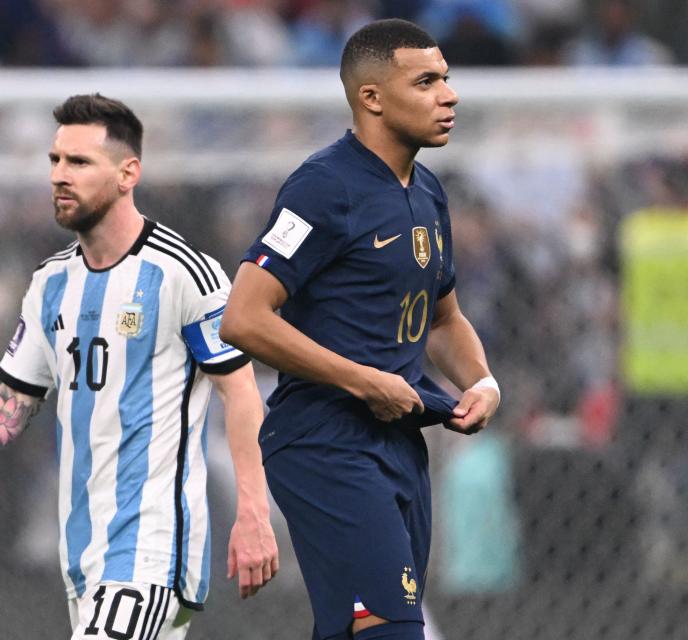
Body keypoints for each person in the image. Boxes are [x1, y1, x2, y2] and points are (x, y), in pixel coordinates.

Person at [0, 94, 278, 640]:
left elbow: (240, 395)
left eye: (79, 163)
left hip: (151, 548)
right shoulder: (50, 284)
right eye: (55, 161)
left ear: (127, 173)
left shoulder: (183, 273)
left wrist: (254, 513)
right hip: (83, 552)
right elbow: (14, 402)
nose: (59, 176)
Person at [219, 19, 500, 640]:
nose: (448, 95)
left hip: (400, 443)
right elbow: (244, 317)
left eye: (446, 79)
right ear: (371, 97)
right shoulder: (323, 186)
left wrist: (483, 381)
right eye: (426, 81)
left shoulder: (428, 192)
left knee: (360, 630)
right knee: (393, 631)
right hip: (325, 442)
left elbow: (444, 319)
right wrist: (364, 380)